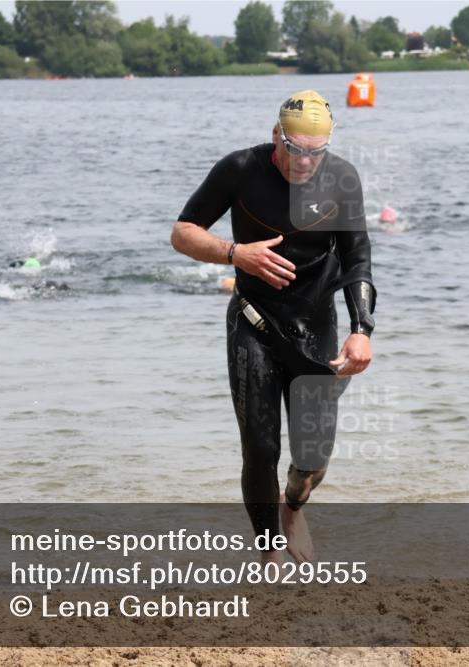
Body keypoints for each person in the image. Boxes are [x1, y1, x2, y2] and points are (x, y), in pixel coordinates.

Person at [171, 90, 376, 564]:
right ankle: (269, 553)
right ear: (275, 135)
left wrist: (361, 329)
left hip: (316, 327)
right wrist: (234, 253)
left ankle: (294, 507)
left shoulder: (342, 178)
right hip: (254, 322)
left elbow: (358, 260)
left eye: (315, 152)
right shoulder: (239, 169)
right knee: (261, 449)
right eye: (294, 148)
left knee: (312, 459)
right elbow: (182, 233)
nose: (304, 162)